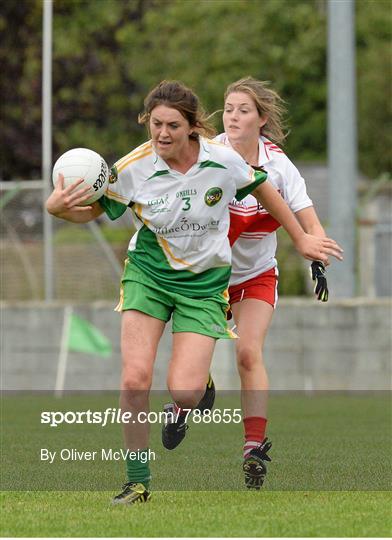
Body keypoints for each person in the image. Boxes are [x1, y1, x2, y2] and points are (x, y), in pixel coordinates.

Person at [46, 80, 342, 504]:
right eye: (154, 125)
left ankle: (196, 386)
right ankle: (137, 480)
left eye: (171, 125)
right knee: (134, 378)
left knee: (183, 391)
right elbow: (96, 209)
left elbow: (265, 188)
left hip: (204, 286)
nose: (161, 134)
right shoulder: (135, 166)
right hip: (149, 275)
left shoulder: (221, 160)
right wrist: (56, 209)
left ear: (192, 127)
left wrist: (300, 238)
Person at [214, 76, 331, 490]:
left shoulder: (279, 165)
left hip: (257, 275)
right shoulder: (209, 155)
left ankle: (253, 447)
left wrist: (316, 254)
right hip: (208, 275)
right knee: (189, 377)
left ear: (261, 120)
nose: (233, 117)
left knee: (248, 354)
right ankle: (188, 398)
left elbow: (307, 218)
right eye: (228, 109)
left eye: (243, 110)